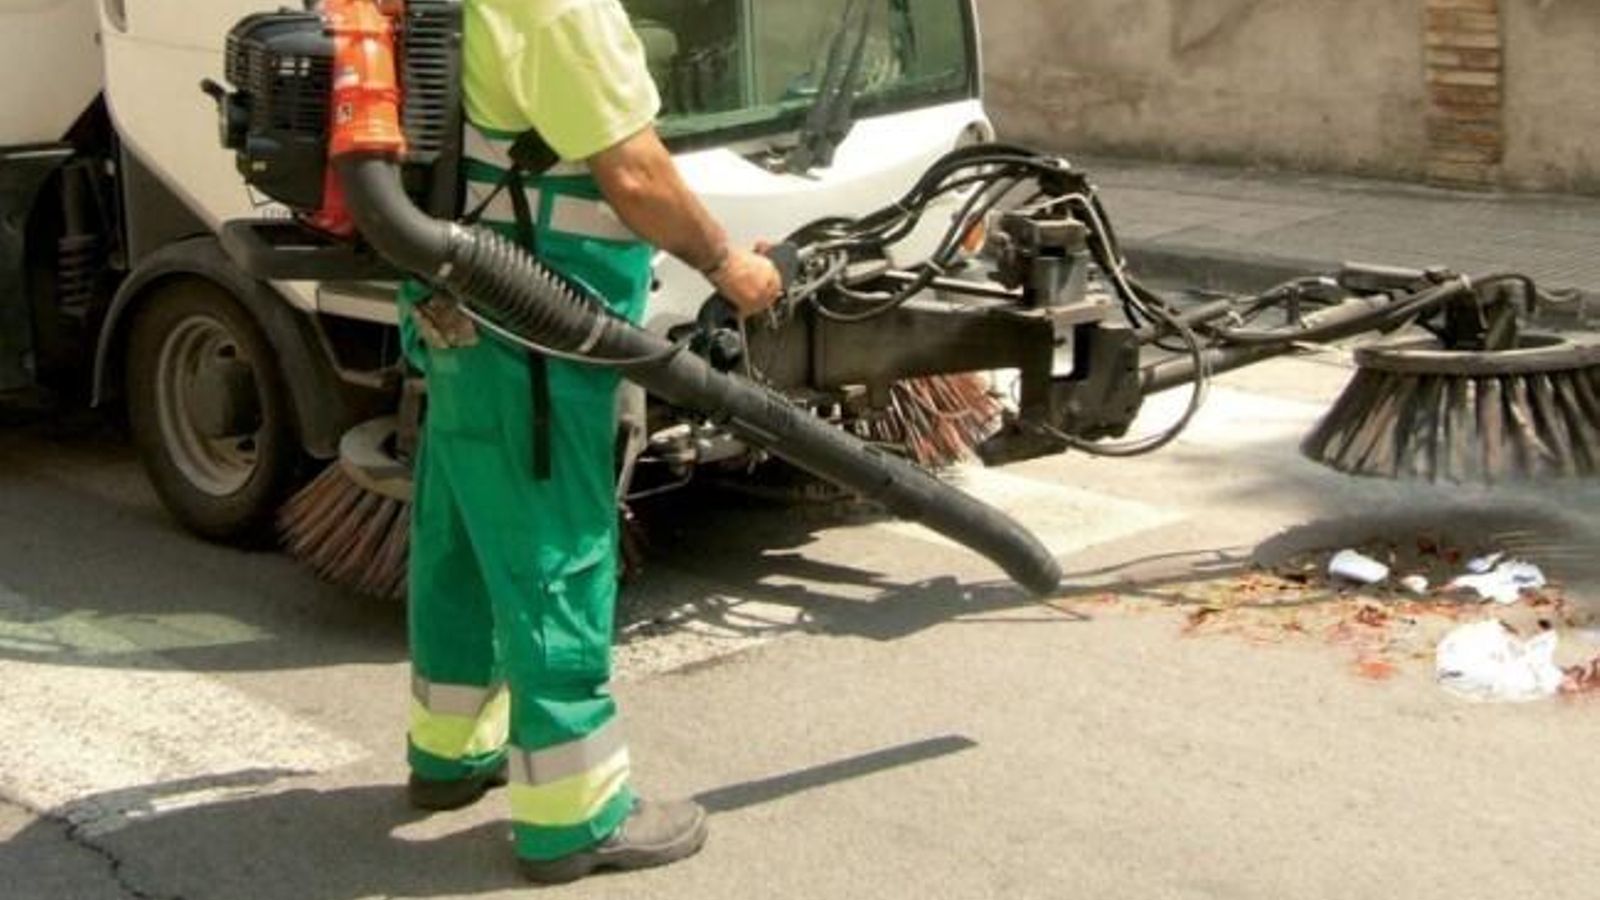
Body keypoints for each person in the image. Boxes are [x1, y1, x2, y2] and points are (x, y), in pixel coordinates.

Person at [397, 0, 783, 884]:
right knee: (554, 551)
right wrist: (730, 266)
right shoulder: (559, 7)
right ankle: (575, 817)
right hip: (538, 325)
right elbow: (635, 174)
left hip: (458, 306)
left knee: (457, 538)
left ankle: (450, 753)